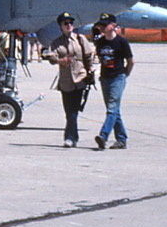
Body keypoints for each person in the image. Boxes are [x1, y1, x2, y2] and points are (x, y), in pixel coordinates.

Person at [41, 12, 96, 147]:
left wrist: (90, 69)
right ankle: (74, 136)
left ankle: (69, 137)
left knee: (73, 110)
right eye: (66, 23)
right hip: (66, 81)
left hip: (80, 78)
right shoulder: (57, 42)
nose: (69, 25)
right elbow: (51, 57)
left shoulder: (80, 39)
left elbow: (89, 55)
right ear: (60, 26)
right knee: (68, 111)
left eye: (71, 23)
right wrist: (61, 60)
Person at [92, 13, 133, 150]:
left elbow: (131, 61)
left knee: (111, 108)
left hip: (117, 77)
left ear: (113, 26)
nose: (102, 28)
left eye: (105, 25)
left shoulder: (121, 42)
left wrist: (125, 74)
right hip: (105, 78)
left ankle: (103, 135)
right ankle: (121, 139)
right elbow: (100, 58)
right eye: (100, 25)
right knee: (114, 110)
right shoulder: (100, 42)